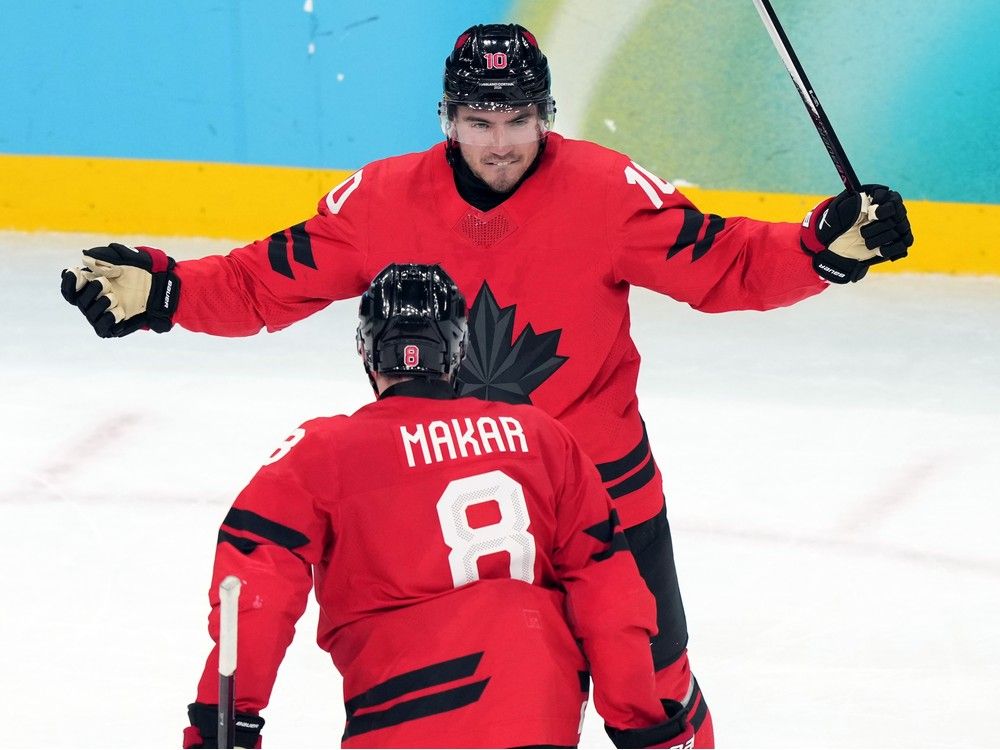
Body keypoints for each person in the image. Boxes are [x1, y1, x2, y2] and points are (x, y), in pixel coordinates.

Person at [62, 24, 914, 748]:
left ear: (547, 115)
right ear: (447, 119)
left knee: (658, 697)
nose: (500, 142)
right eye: (479, 120)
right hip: (441, 506)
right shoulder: (383, 201)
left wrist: (821, 248)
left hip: (606, 504)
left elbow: (721, 263)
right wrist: (169, 290)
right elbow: (264, 281)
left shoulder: (607, 192)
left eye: (518, 119)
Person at [182, 263, 690, 749]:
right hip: (538, 718)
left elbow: (255, 596)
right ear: (457, 350)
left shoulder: (322, 451)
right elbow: (611, 594)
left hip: (398, 719)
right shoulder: (541, 439)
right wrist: (640, 720)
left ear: (366, 350)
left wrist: (226, 723)